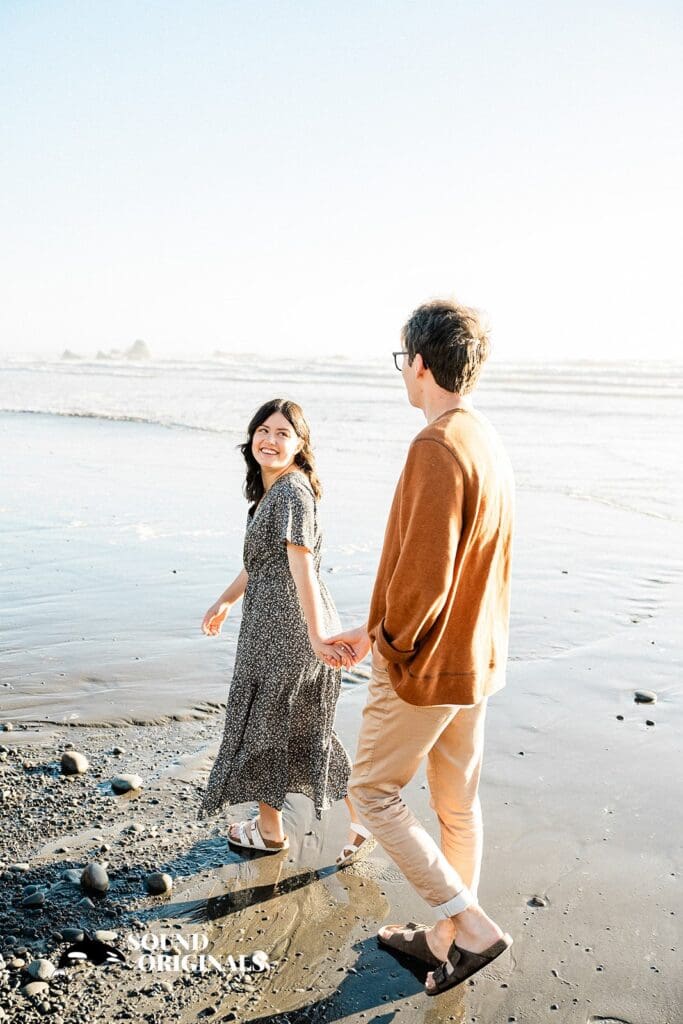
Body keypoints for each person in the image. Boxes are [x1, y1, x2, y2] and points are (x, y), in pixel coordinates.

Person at [329, 300, 515, 995]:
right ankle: (445, 938)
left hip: (427, 664)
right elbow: (460, 564)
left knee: (371, 793)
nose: (401, 371)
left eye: (400, 359)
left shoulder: (435, 445)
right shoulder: (485, 437)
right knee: (456, 807)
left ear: (419, 363)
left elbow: (426, 575)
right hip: (474, 659)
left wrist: (389, 642)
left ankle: (470, 926)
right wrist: (371, 625)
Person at [196, 398, 372, 866]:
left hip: (289, 628)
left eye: (282, 433)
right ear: (251, 437)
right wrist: (226, 600)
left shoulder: (292, 492)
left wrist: (315, 635)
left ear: (300, 445)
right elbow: (260, 564)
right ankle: (353, 819)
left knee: (276, 724)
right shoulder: (270, 492)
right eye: (264, 431)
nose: (270, 440)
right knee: (291, 726)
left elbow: (302, 567)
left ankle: (276, 831)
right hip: (270, 625)